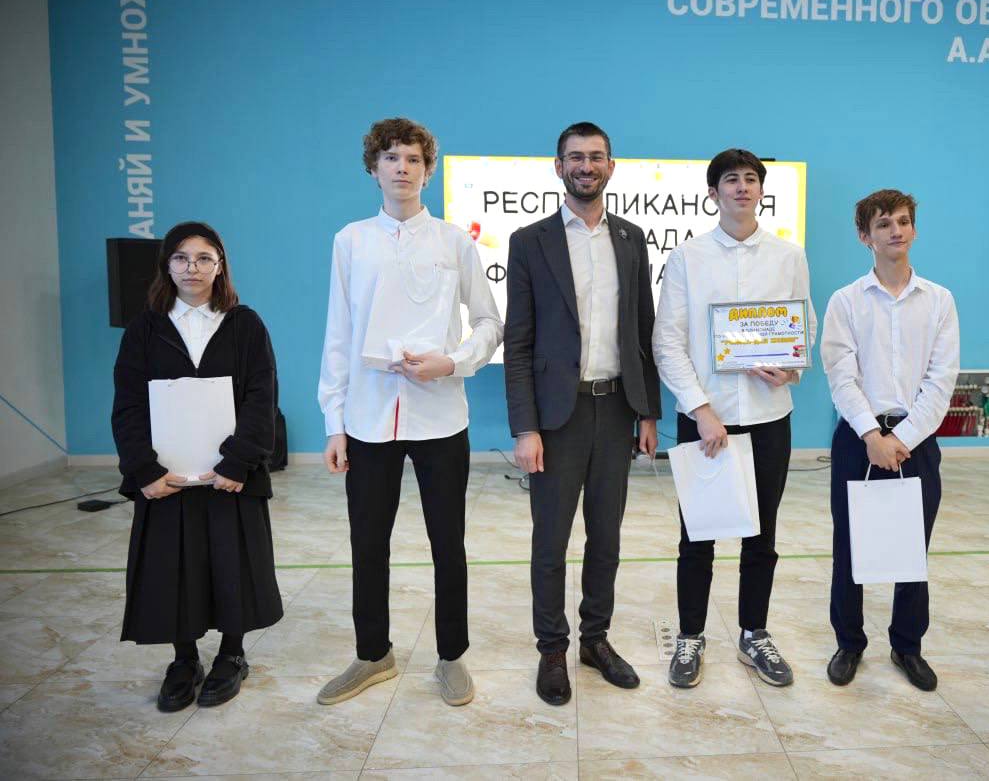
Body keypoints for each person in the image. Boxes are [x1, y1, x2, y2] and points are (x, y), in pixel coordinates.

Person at [316, 117, 502, 707]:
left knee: (449, 542)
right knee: (368, 543)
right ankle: (373, 654)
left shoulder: (454, 242)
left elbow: (490, 323)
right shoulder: (351, 241)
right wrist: (334, 423)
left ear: (428, 170)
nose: (402, 167)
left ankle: (452, 656)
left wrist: (453, 362)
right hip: (369, 418)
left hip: (441, 417)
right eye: (391, 157)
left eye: (414, 159)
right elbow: (338, 335)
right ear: (373, 168)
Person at [504, 121, 660, 706]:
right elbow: (518, 343)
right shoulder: (529, 241)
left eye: (596, 157)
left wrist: (648, 413)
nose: (586, 166)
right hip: (557, 418)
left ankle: (595, 640)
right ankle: (552, 649)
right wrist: (526, 427)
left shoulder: (631, 238)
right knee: (551, 542)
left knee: (607, 538)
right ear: (559, 166)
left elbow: (642, 332)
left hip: (616, 409)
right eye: (575, 157)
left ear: (611, 167)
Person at [653, 148, 816, 689]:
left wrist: (791, 369)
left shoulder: (789, 256)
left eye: (750, 179)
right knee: (697, 537)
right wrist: (700, 409)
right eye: (730, 180)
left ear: (761, 191)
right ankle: (690, 636)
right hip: (706, 420)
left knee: (761, 536)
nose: (742, 187)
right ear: (713, 193)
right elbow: (667, 341)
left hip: (769, 415)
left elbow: (804, 326)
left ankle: (754, 634)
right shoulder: (687, 258)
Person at [111, 221, 282, 712]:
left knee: (232, 565)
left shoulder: (245, 324)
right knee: (173, 567)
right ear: (167, 266)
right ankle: (184, 659)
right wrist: (144, 470)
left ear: (220, 266)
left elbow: (262, 397)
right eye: (182, 258)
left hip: (229, 476)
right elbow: (128, 405)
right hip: (168, 476)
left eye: (204, 258)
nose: (193, 268)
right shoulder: (144, 328)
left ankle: (232, 654)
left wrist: (238, 462)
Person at [820, 189, 959, 692]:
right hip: (859, 438)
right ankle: (849, 643)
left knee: (912, 547)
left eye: (902, 221)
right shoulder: (845, 301)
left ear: (914, 229)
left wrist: (901, 438)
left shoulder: (939, 300)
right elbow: (840, 376)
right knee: (850, 546)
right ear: (865, 236)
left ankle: (907, 646)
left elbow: (941, 381)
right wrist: (872, 435)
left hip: (916, 440)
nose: (895, 230)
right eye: (883, 224)